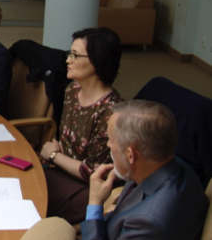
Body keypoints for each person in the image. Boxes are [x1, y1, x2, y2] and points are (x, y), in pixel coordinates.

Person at [82, 100, 209, 240]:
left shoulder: (148, 223)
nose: (108, 145)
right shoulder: (176, 165)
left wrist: (94, 202)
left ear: (130, 155)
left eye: (111, 140)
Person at [39, 27, 124, 224]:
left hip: (91, 190)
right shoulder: (72, 89)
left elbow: (93, 173)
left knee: (31, 196)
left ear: (97, 61)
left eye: (75, 56)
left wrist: (53, 155)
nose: (68, 60)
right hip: (60, 170)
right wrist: (57, 156)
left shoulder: (111, 112)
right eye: (70, 54)